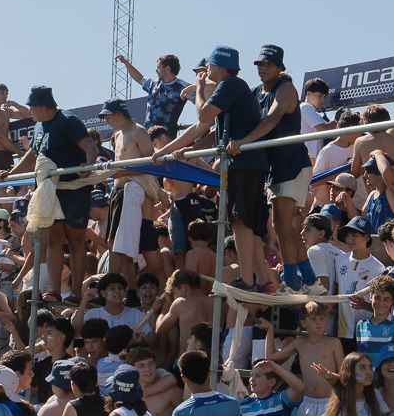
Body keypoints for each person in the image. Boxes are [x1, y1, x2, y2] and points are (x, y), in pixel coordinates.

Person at [157, 47, 274, 292]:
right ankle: (262, 281)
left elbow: (202, 114)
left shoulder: (230, 84)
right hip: (250, 163)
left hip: (243, 164)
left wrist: (198, 89)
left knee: (240, 223)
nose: (205, 70)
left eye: (208, 65)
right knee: (249, 226)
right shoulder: (234, 87)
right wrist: (171, 149)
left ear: (219, 66)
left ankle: (247, 280)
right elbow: (207, 129)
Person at [237, 45, 314, 292]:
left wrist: (242, 142)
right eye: (260, 64)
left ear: (280, 67)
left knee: (282, 226)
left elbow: (271, 119)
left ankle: (292, 281)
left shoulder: (286, 88)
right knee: (284, 226)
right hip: (277, 168)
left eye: (268, 64)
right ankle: (310, 281)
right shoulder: (254, 92)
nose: (263, 68)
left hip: (292, 164)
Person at [16, 86, 99, 303]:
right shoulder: (38, 127)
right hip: (50, 191)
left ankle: (76, 293)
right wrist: (11, 172)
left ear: (42, 106)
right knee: (53, 239)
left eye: (32, 107)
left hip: (74, 190)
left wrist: (89, 166)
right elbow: (33, 154)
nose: (30, 111)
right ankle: (53, 290)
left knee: (75, 240)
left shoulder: (68, 121)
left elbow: (90, 145)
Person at [99, 99, 157, 288]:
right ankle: (119, 288)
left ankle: (121, 287)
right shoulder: (117, 135)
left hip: (131, 192)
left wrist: (122, 172)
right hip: (117, 192)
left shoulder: (139, 132)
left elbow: (151, 165)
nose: (107, 121)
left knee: (123, 245)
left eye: (108, 116)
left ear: (119, 114)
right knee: (115, 243)